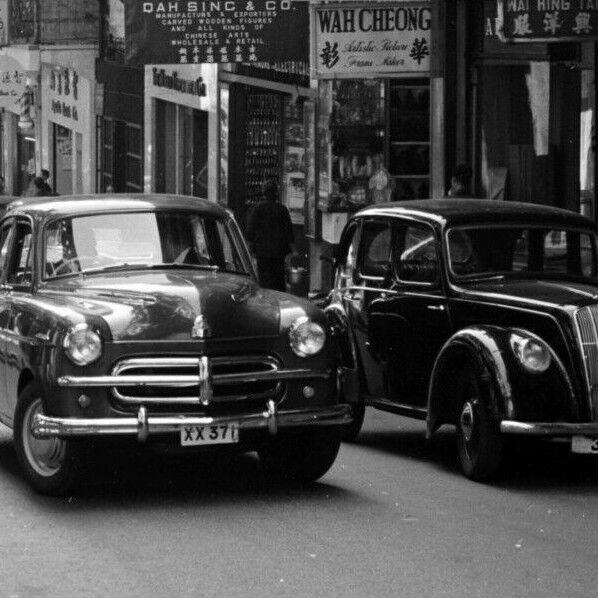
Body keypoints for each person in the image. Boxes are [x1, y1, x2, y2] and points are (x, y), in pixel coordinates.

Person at [246, 180, 295, 292]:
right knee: (278, 279)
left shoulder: (258, 209)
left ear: (264, 193)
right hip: (279, 252)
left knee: (264, 279)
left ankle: (266, 298)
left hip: (262, 251)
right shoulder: (282, 209)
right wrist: (292, 250)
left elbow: (250, 231)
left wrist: (250, 246)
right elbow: (289, 231)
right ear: (276, 193)